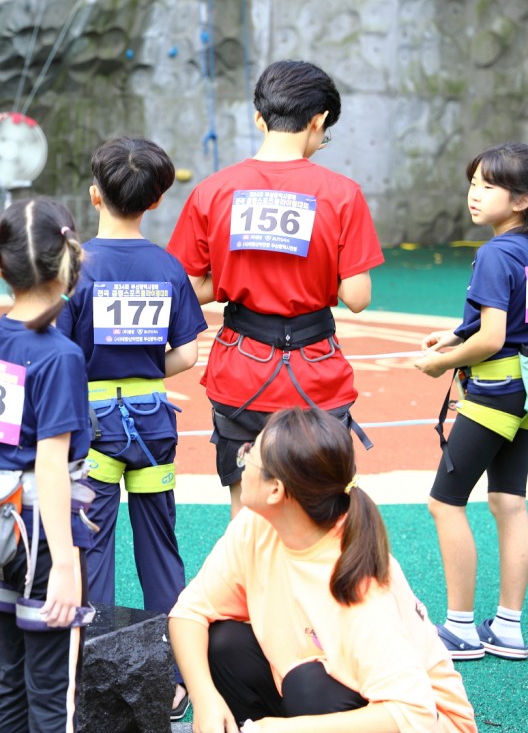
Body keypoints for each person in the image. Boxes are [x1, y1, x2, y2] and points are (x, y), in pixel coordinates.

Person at [169, 407, 478, 733]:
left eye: (249, 454)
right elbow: (189, 613)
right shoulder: (257, 525)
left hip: (430, 723)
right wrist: (205, 697)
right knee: (225, 643)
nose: (241, 461)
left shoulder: (359, 580)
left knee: (309, 686)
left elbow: (415, 714)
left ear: (276, 490)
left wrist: (281, 730)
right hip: (325, 688)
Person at [167, 60, 384, 515]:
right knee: (319, 513)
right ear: (318, 120)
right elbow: (358, 298)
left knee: (246, 515)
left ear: (259, 118)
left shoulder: (213, 190)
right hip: (314, 372)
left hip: (240, 370)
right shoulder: (342, 193)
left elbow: (188, 288)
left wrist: (236, 276)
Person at [56, 137, 206, 721]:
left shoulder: (76, 267)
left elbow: (58, 356)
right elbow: (187, 354)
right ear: (156, 201)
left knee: (92, 551)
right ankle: (176, 677)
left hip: (94, 430)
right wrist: (143, 371)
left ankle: (96, 675)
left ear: (94, 195)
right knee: (160, 549)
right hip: (153, 424)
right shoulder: (168, 267)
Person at [0, 198, 92, 733]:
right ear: (68, 260)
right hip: (43, 529)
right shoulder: (59, 355)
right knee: (52, 696)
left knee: (14, 686)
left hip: (2, 521)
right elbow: (50, 465)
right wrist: (64, 564)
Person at [414, 143, 528, 661]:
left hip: (494, 392)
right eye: (474, 183)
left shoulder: (496, 253)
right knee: (509, 502)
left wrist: (443, 362)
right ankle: (508, 627)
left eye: (488, 185)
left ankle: (459, 627)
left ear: (521, 199)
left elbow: (493, 336)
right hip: (524, 391)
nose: (474, 194)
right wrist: (457, 333)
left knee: (445, 502)